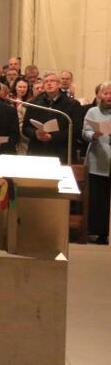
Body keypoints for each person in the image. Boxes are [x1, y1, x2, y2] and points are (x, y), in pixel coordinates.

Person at [22, 71, 77, 162]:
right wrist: (36, 133)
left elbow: (75, 130)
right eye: (46, 82)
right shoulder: (34, 103)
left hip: (61, 152)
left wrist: (53, 136)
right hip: (38, 151)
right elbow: (25, 128)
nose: (49, 83)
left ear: (59, 84)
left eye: (52, 81)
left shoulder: (72, 104)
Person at [81, 81, 111, 244]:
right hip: (98, 159)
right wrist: (94, 135)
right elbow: (85, 132)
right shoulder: (92, 111)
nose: (109, 96)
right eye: (106, 93)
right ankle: (98, 231)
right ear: (100, 95)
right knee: (98, 198)